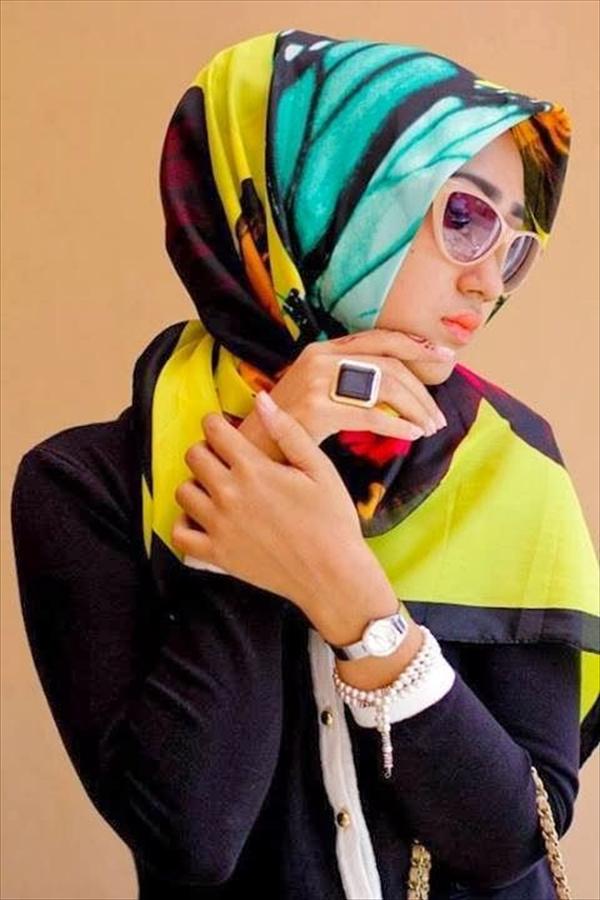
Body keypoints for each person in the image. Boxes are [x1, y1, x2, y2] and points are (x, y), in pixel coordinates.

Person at [10, 28, 599, 900]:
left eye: (513, 244)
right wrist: (263, 478)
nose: (490, 282)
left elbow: (512, 841)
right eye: (463, 218)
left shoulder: (510, 464)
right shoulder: (90, 486)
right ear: (319, 199)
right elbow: (191, 838)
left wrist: (355, 602)